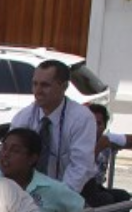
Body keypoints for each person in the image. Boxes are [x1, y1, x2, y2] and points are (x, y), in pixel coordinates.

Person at [9, 60, 97, 195]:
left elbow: (80, 167)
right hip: (29, 193)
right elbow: (13, 160)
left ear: (64, 87)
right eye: (34, 84)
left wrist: (58, 198)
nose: (37, 91)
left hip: (72, 192)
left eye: (45, 85)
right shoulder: (23, 118)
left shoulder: (81, 119)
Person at [0, 127, 85, 212]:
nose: (5, 154)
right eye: (4, 147)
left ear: (32, 158)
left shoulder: (52, 189)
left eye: (15, 150)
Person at [86, 103, 132, 212]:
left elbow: (128, 141)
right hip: (78, 188)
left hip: (96, 187)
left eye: (99, 124)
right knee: (104, 198)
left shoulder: (107, 139)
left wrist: (111, 141)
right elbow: (83, 167)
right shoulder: (77, 140)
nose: (95, 128)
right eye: (90, 123)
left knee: (122, 196)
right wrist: (99, 147)